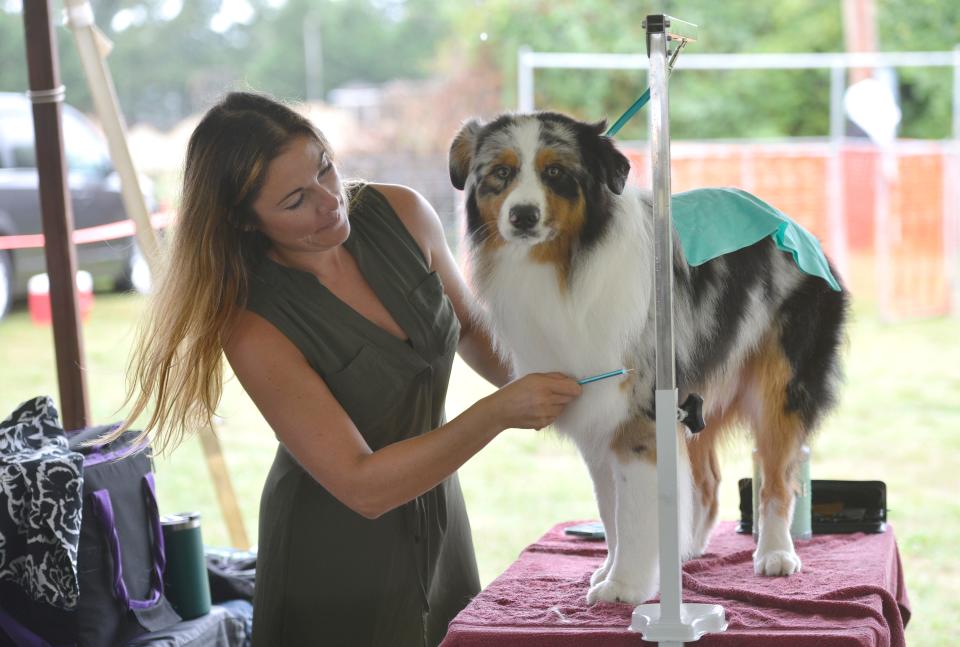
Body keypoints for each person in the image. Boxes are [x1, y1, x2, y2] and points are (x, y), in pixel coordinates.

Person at [113, 91, 582, 646]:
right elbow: (362, 487)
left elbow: (476, 331)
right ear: (242, 221)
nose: (329, 201)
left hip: (437, 510)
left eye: (325, 168)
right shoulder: (251, 325)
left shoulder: (402, 213)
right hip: (335, 551)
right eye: (295, 201)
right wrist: (499, 412)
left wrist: (582, 387)